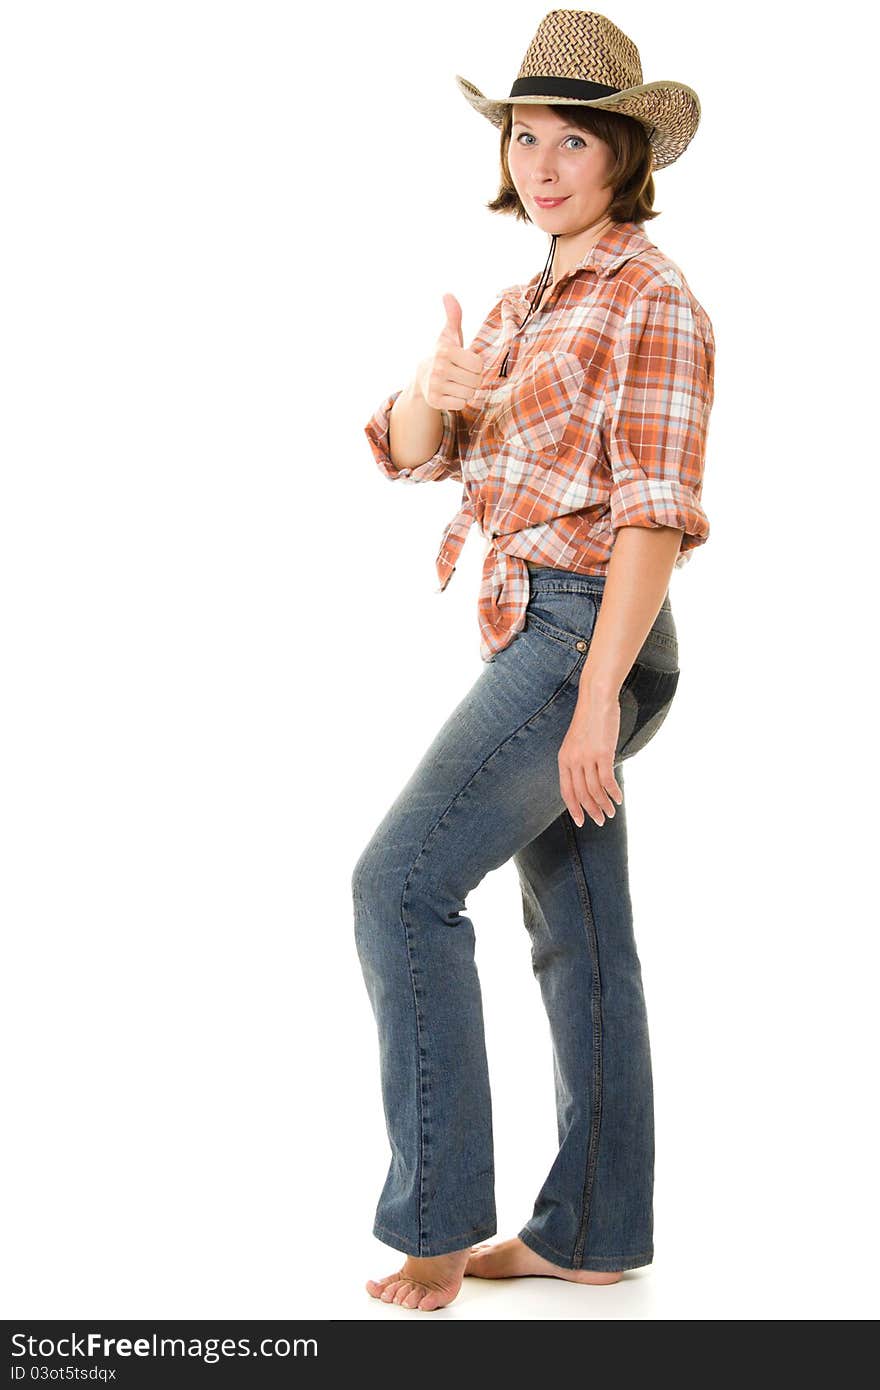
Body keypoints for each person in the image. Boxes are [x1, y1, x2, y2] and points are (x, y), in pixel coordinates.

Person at [353, 9, 715, 1311]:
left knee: (399, 882)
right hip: (538, 627)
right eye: (526, 135)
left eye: (574, 139)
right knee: (581, 924)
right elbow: (412, 450)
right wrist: (433, 381)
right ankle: (590, 1231)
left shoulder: (651, 297)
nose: (546, 160)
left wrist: (597, 700)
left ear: (623, 154)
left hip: (590, 633)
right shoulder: (525, 299)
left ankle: (437, 1220)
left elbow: (655, 509)